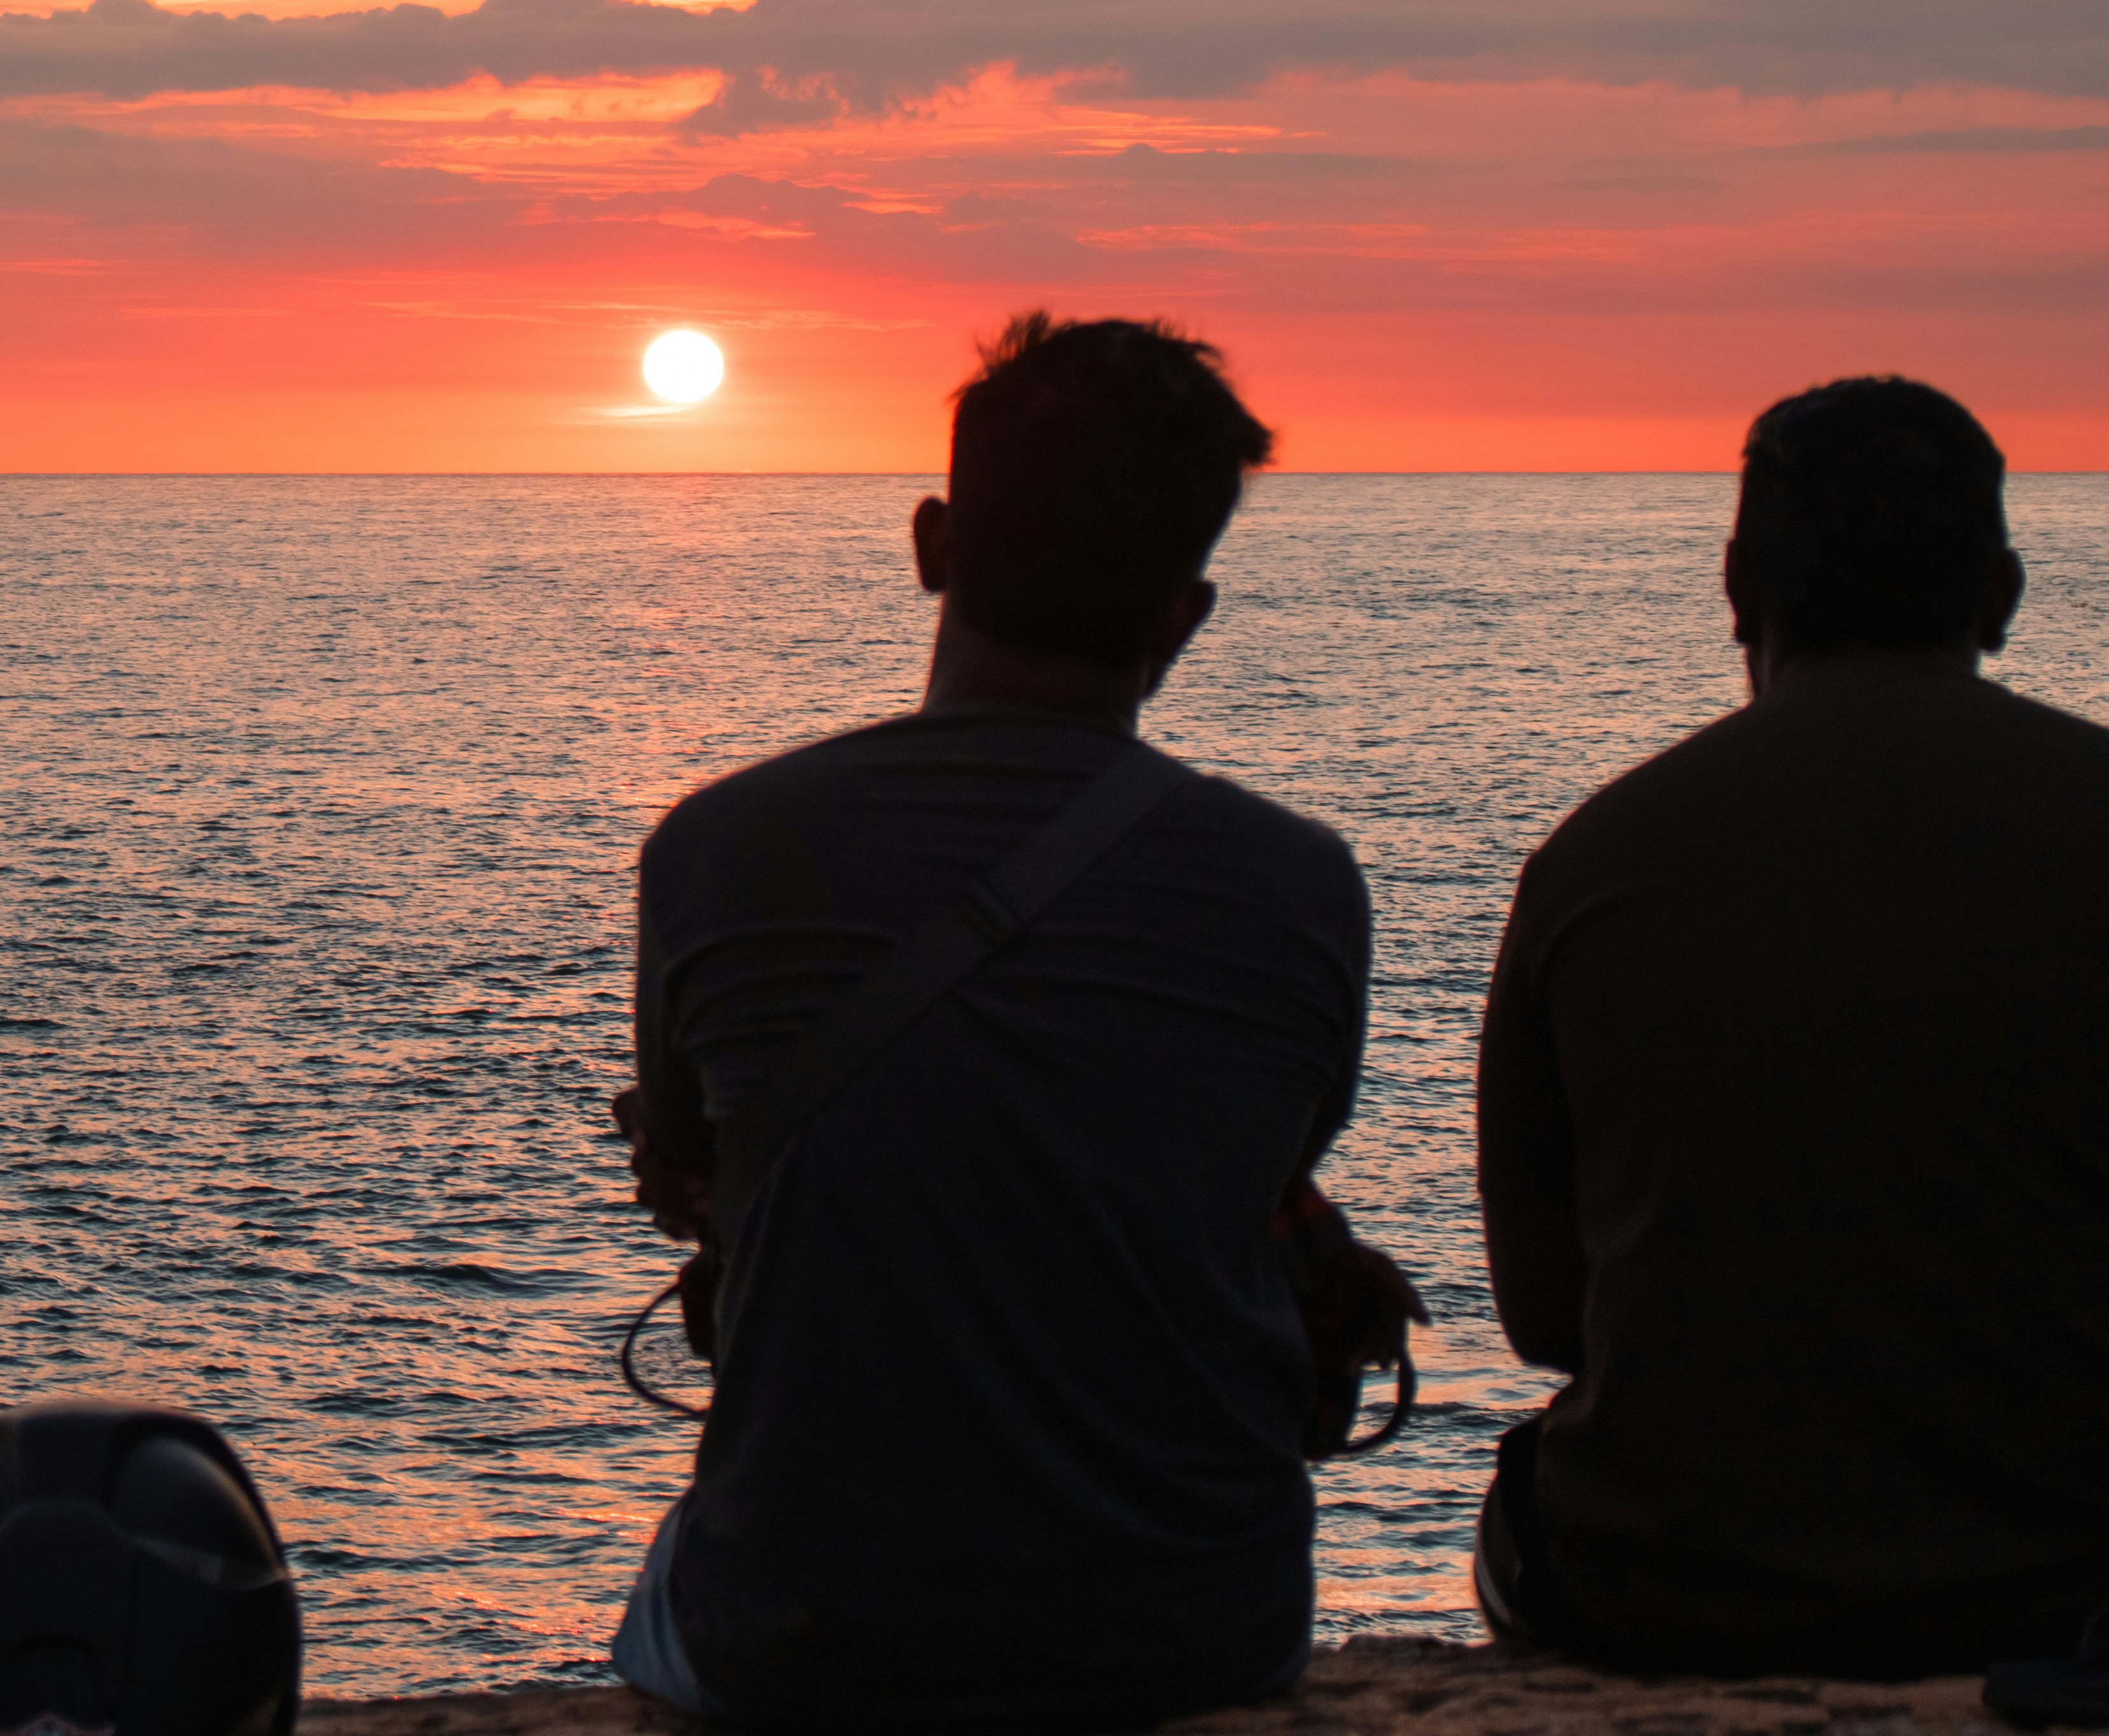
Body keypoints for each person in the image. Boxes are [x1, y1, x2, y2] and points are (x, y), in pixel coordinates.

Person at [612, 314, 1373, 1732]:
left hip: (809, 1641)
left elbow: (689, 1168)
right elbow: (1264, 1177)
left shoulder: (712, 849)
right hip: (1197, 1633)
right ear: (1185, 614)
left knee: (674, 1580)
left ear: (932, 544)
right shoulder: (1301, 886)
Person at [1474, 375, 2109, 1677]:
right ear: (2000, 594)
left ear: (1738, 588)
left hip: (1669, 1581)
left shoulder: (1595, 859)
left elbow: (1546, 1315)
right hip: (2068, 1590)